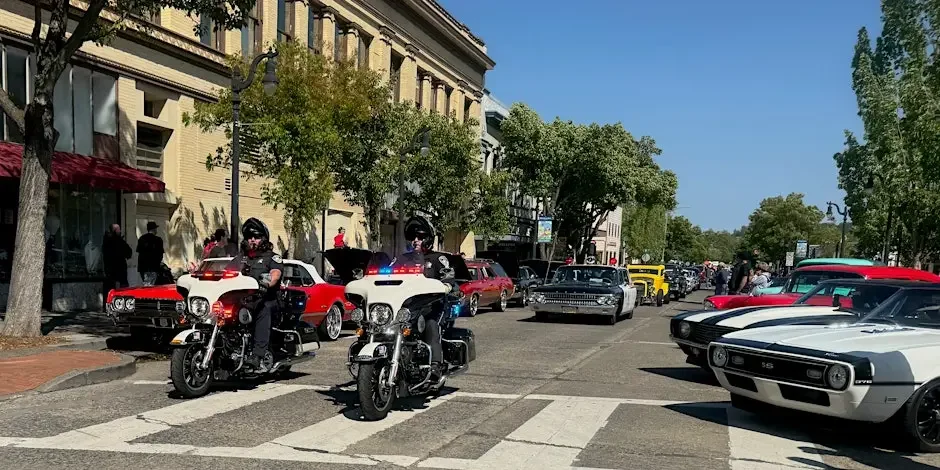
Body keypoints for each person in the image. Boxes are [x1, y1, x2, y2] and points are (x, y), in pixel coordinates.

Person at [402, 215, 447, 382]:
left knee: (430, 324)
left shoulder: (437, 259)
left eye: (420, 237)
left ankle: (435, 365)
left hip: (431, 307)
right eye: (413, 237)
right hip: (406, 308)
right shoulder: (402, 260)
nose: (415, 240)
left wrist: (448, 286)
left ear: (428, 239)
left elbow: (448, 278)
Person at [239, 218, 283, 373]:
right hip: (244, 300)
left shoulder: (272, 257)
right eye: (249, 237)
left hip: (267, 299)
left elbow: (275, 273)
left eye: (256, 237)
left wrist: (267, 282)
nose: (252, 240)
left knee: (262, 308)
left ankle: (257, 355)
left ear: (263, 239)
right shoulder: (241, 258)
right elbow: (226, 271)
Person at [102, 224, 132, 295]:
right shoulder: (119, 241)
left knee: (111, 290)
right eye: (119, 229)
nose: (120, 231)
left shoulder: (106, 241)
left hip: (109, 271)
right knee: (123, 290)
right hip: (120, 270)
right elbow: (129, 253)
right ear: (115, 231)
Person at [137, 221, 165, 286]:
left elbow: (139, 251)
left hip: (143, 268)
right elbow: (160, 254)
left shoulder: (141, 238)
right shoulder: (158, 240)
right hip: (153, 267)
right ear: (154, 229)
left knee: (146, 284)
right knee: (151, 286)